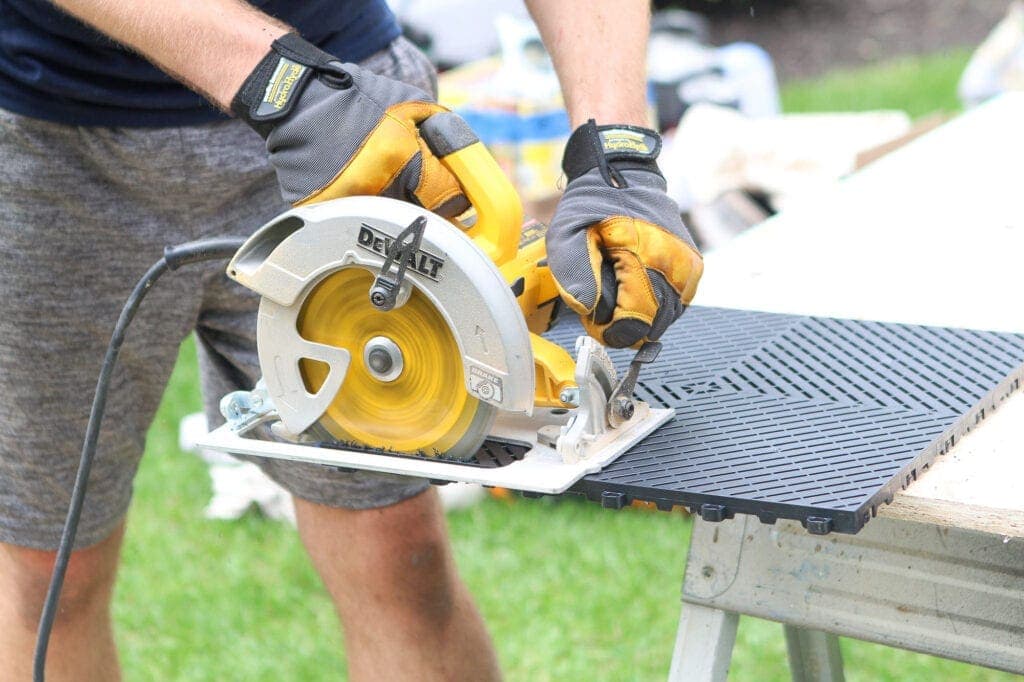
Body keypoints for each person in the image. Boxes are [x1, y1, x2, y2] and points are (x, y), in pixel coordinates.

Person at [0, 0, 703, 679]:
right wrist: (279, 81)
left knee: (396, 552)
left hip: (358, 130)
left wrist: (619, 149)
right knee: (50, 571)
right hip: (56, 139)